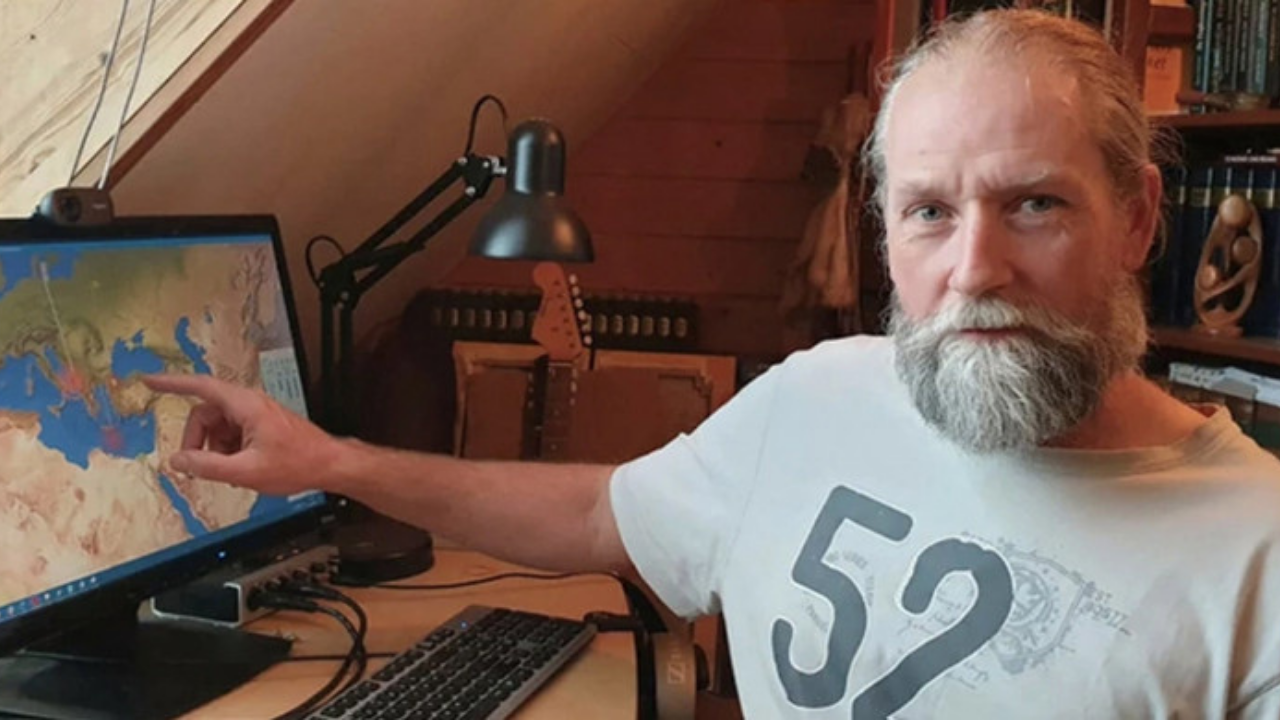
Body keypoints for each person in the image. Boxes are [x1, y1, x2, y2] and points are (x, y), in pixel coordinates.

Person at [144, 9, 1280, 718]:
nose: (974, 267)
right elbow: (600, 513)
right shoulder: (818, 394)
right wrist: (328, 460)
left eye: (1034, 204)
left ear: (1137, 220)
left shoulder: (1257, 556)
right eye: (929, 211)